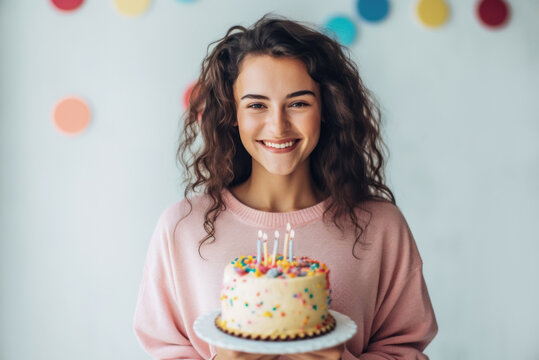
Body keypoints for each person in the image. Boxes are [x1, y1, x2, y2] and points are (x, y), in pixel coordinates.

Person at [133, 15, 438, 360]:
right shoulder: (182, 229)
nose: (277, 126)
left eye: (298, 103)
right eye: (257, 105)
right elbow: (163, 350)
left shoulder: (381, 226)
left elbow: (404, 350)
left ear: (327, 107)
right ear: (233, 113)